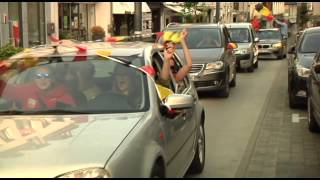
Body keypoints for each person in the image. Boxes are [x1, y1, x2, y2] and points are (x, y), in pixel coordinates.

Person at [0, 65, 76, 110]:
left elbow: (73, 116)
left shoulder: (63, 94)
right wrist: (5, 70)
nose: (42, 79)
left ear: (52, 78)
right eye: (38, 76)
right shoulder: (27, 90)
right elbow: (5, 91)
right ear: (34, 79)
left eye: (46, 76)